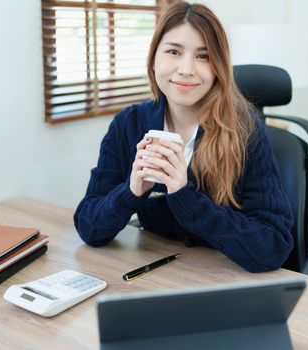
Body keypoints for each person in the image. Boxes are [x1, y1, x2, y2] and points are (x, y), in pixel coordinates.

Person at [74, 2, 293, 273]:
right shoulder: (128, 124)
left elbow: (273, 247)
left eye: (203, 56)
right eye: (174, 51)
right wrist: (131, 192)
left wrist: (184, 197)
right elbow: (89, 227)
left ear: (219, 67)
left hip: (224, 281)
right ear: (154, 58)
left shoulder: (245, 130)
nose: (186, 68)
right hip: (159, 275)